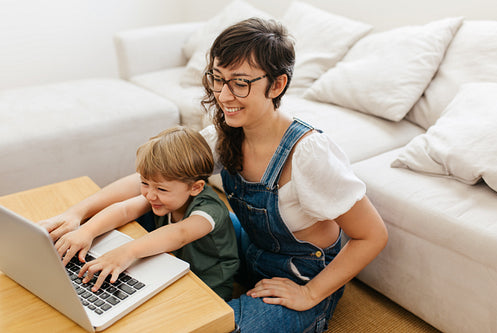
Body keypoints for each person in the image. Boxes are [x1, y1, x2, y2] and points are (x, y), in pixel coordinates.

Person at [40, 18, 388, 333]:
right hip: (249, 248)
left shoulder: (309, 153)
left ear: (277, 84)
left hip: (299, 274)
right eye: (218, 79)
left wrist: (310, 293)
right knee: (155, 202)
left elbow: (372, 235)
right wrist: (78, 215)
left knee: (212, 326)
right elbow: (151, 180)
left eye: (239, 84)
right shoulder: (225, 133)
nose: (223, 96)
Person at [49, 126, 239, 301]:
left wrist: (126, 252)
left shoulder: (209, 210)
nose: (150, 194)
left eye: (161, 189)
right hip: (171, 267)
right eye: (144, 183)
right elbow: (124, 209)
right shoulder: (162, 197)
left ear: (195, 187)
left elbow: (179, 234)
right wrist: (86, 231)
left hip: (209, 286)